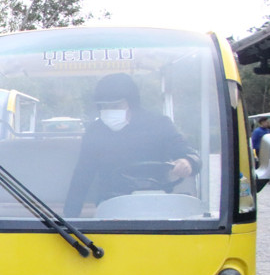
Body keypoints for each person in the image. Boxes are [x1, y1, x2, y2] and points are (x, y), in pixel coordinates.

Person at [63, 73, 200, 217]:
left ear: (132, 103)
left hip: (157, 202)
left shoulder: (159, 124)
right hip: (112, 203)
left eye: (116, 105)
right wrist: (69, 217)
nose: (110, 111)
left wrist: (188, 161)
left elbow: (188, 153)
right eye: (104, 107)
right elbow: (82, 176)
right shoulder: (95, 131)